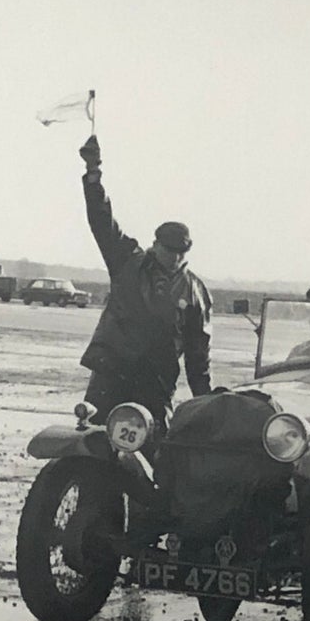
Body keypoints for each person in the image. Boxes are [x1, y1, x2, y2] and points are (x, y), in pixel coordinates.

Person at [76, 135, 213, 431]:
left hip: (156, 381)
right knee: (96, 440)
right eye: (169, 250)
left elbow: (197, 351)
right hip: (112, 372)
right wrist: (93, 174)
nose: (174, 258)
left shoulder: (196, 293)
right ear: (156, 244)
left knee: (154, 448)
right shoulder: (127, 261)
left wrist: (205, 397)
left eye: (181, 253)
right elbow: (101, 220)